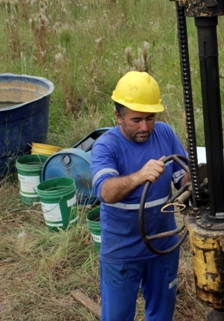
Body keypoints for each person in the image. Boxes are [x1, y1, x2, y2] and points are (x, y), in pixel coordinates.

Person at [91, 71, 188, 321]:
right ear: (118, 116)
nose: (145, 127)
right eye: (136, 120)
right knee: (117, 316)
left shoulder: (164, 133)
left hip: (163, 245)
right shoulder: (107, 145)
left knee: (161, 314)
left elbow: (183, 178)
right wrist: (138, 176)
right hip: (122, 251)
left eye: (150, 118)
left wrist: (201, 178)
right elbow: (105, 191)